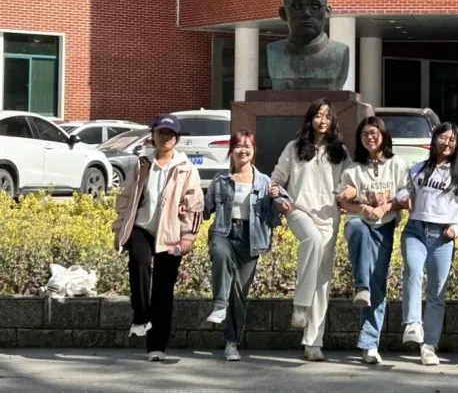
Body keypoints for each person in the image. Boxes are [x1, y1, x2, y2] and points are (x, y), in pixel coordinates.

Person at [112, 113, 204, 362]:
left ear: (177, 138)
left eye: (171, 134)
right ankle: (142, 316)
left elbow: (195, 204)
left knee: (163, 290)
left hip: (171, 233)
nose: (166, 138)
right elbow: (125, 198)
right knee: (139, 264)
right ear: (153, 136)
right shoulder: (142, 164)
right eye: (161, 132)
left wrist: (188, 236)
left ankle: (157, 346)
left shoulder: (186, 168)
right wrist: (119, 229)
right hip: (142, 227)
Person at [271, 98, 350, 362]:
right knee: (312, 240)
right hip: (299, 211)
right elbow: (277, 179)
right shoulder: (294, 148)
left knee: (322, 280)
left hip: (329, 218)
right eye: (318, 115)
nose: (322, 120)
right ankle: (300, 306)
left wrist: (349, 193)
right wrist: (277, 195)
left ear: (332, 120)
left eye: (327, 116)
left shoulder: (340, 152)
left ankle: (313, 343)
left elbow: (350, 182)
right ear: (310, 119)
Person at [203, 130, 288, 361]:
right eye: (238, 146)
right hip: (224, 231)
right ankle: (219, 305)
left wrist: (278, 200)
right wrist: (186, 210)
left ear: (253, 150)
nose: (243, 150)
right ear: (231, 150)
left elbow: (281, 206)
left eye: (247, 146)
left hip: (251, 238)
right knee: (220, 253)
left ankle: (232, 342)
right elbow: (205, 209)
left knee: (239, 293)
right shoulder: (220, 179)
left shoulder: (265, 181)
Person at [335, 116, 412, 365]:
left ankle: (369, 344)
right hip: (359, 222)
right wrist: (362, 207)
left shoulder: (396, 164)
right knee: (357, 229)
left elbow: (405, 195)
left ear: (383, 135)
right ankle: (361, 286)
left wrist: (385, 207)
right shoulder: (353, 168)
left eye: (374, 133)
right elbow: (341, 201)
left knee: (377, 282)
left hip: (384, 226)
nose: (370, 137)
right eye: (365, 134)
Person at [396, 122, 458, 366]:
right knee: (413, 271)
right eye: (443, 137)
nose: (447, 143)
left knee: (436, 293)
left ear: (457, 144)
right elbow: (400, 192)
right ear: (434, 139)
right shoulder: (418, 169)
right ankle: (413, 324)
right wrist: (404, 197)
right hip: (415, 230)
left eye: (453, 139)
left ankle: (429, 345)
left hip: (443, 237)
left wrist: (457, 228)